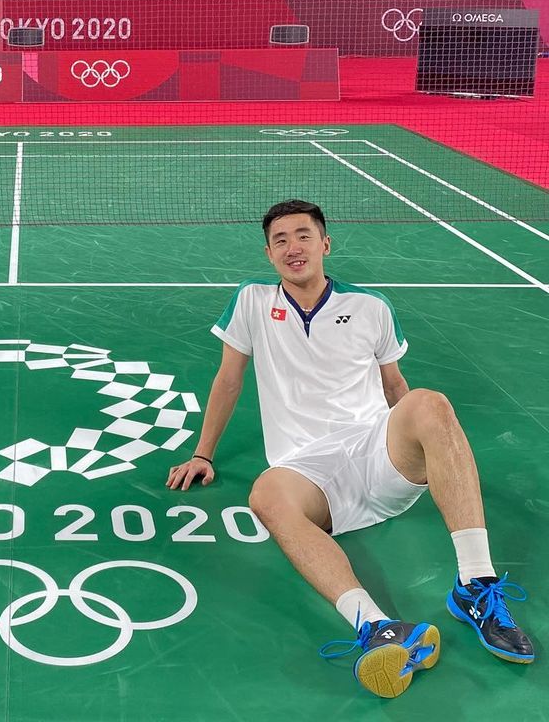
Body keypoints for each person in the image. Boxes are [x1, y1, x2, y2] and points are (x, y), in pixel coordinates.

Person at [167, 199, 533, 698]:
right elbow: (229, 378)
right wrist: (203, 453)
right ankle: (377, 628)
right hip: (305, 470)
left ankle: (475, 584)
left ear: (325, 244)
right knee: (265, 497)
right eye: (280, 240)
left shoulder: (371, 307)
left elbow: (395, 388)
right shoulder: (252, 301)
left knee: (430, 402)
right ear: (269, 253)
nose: (293, 247)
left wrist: (436, 452)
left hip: (374, 450)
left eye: (303, 235)